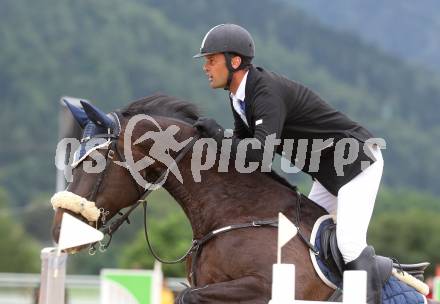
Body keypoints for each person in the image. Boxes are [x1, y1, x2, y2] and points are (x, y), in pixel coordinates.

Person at [193, 24, 384, 304]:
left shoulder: (265, 92)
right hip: (329, 176)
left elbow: (258, 154)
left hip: (358, 162)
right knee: (305, 236)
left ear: (235, 62)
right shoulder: (239, 98)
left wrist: (219, 135)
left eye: (211, 60)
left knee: (348, 243)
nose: (206, 67)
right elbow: (244, 155)